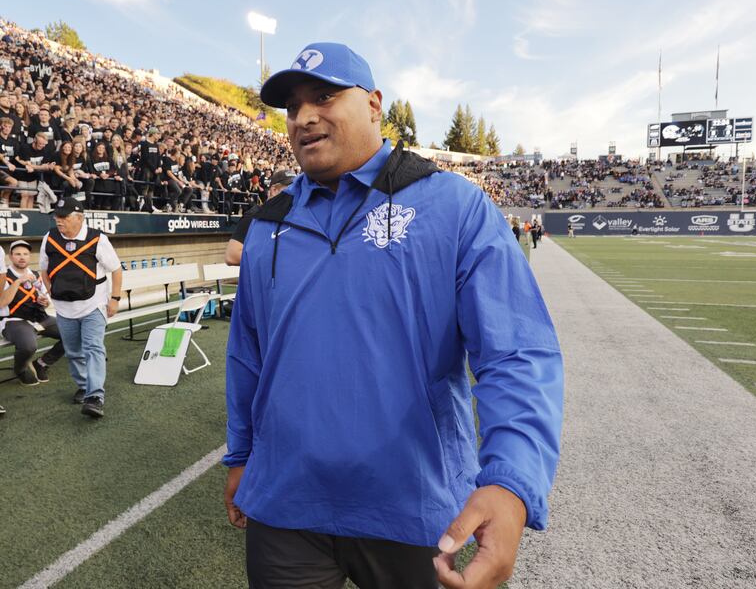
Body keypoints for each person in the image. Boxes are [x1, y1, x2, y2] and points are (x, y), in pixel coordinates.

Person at [224, 42, 563, 589]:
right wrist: (241, 455)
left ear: (374, 104)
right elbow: (247, 355)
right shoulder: (267, 227)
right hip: (284, 507)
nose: (303, 117)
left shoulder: (453, 206)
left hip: (416, 509)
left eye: (324, 97)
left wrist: (511, 481)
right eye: (292, 107)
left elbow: (516, 352)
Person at [39, 197, 122, 418]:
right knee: (73, 351)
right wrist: (51, 291)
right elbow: (43, 270)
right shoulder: (49, 237)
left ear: (79, 218)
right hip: (64, 308)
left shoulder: (98, 239)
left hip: (94, 304)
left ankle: (95, 396)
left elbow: (116, 269)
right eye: (57, 216)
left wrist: (115, 298)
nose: (59, 220)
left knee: (93, 348)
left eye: (64, 217)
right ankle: (84, 386)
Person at [0, 239, 64, 385]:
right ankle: (20, 370)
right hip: (14, 320)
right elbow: (2, 303)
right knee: (29, 346)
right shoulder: (4, 276)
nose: (22, 257)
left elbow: (44, 297)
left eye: (25, 254)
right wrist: (18, 281)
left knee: (72, 334)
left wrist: (45, 302)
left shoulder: (35, 274)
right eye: (17, 254)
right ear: (10, 256)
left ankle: (41, 363)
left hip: (39, 317)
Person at [224, 169, 296, 266]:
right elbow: (232, 256)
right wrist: (279, 257)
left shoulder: (291, 216)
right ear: (274, 190)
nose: (295, 193)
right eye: (291, 189)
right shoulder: (254, 215)